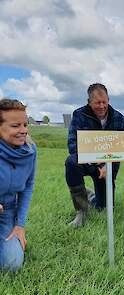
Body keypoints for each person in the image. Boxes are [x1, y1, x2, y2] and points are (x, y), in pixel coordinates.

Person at [65, 83, 124, 228]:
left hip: (108, 167)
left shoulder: (119, 119)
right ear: (89, 102)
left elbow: (122, 148)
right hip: (87, 163)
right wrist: (97, 164)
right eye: (97, 103)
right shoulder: (79, 115)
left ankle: (91, 197)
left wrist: (107, 167)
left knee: (103, 207)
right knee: (71, 162)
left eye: (104, 102)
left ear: (108, 100)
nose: (101, 106)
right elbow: (73, 145)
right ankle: (81, 211)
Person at [0, 98, 36, 272]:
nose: (23, 131)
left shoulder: (30, 150)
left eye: (25, 124)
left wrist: (19, 225)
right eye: (16, 126)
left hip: (7, 211)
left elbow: (28, 186)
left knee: (11, 265)